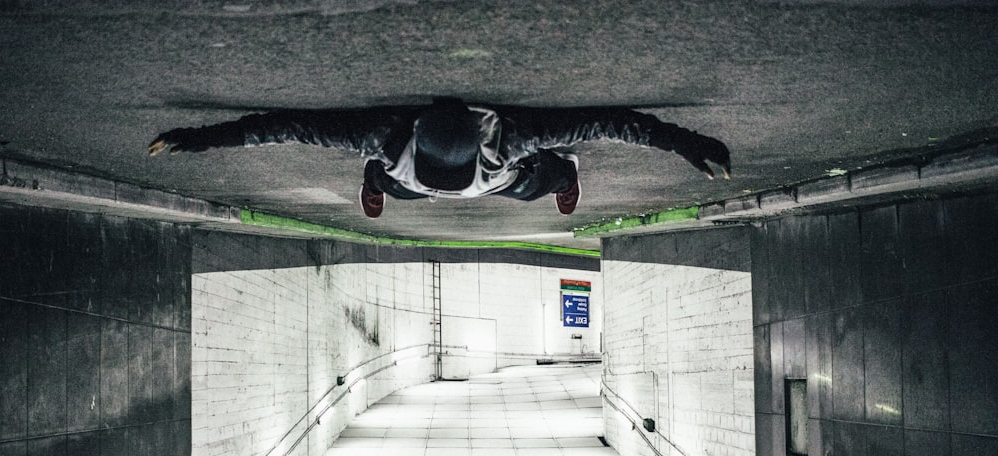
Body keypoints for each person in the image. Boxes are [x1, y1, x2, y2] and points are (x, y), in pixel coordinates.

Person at [149, 97, 730, 218]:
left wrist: (688, 144)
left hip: (499, 179)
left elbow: (610, 123)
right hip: (406, 175)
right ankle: (381, 180)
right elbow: (280, 128)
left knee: (533, 184)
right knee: (392, 183)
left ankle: (565, 175)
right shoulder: (381, 133)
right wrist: (200, 138)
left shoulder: (513, 136)